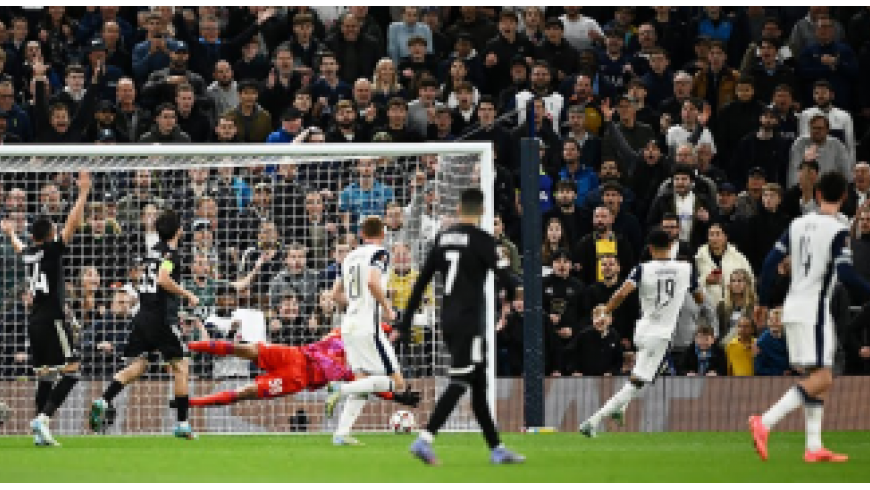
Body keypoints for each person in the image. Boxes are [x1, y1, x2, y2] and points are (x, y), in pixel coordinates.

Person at [399, 189, 525, 466]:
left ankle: (497, 448)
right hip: (470, 321)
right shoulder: (483, 241)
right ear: (480, 211)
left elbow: (421, 283)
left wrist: (406, 321)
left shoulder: (443, 238)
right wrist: (515, 298)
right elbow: (507, 277)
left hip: (448, 319)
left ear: (458, 208)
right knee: (459, 382)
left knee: (478, 384)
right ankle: (424, 439)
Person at [751, 170, 870, 464]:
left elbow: (769, 262)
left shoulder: (796, 224)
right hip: (814, 310)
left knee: (820, 376)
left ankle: (814, 446)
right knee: (824, 377)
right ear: (844, 197)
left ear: (817, 194)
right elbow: (845, 274)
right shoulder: (837, 230)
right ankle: (765, 421)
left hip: (793, 306)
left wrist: (763, 302)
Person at [580, 227, 713, 437]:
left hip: (642, 331)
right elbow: (699, 298)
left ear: (650, 248)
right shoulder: (686, 269)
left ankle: (620, 409)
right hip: (660, 336)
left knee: (650, 372)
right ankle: (593, 421)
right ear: (671, 246)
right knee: (637, 382)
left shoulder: (642, 269)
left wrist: (606, 310)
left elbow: (621, 294)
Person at [89, 210, 200, 440]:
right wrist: (186, 293)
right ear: (178, 230)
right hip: (161, 319)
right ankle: (182, 424)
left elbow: (149, 280)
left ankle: (104, 399)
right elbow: (162, 279)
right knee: (181, 367)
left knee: (139, 366)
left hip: (143, 316)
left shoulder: (151, 254)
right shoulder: (172, 254)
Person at [0, 171, 91, 447]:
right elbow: (73, 223)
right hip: (52, 320)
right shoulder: (51, 251)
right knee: (72, 370)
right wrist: (83, 193)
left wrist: (10, 233)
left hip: (35, 321)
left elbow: (18, 248)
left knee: (45, 376)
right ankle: (44, 418)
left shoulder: (29, 253)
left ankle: (39, 429)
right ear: (50, 234)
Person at [175, 328, 420, 409]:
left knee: (246, 392)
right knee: (243, 349)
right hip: (293, 354)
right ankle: (186, 345)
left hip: (298, 378)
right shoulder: (348, 331)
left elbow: (370, 387)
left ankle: (189, 403)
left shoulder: (363, 365)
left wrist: (396, 397)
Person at [323, 216, 406, 446]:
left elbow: (336, 293)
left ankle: (341, 433)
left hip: (349, 325)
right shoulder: (381, 253)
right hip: (368, 327)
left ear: (361, 234)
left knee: (364, 379)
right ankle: (341, 388)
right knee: (398, 384)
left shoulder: (349, 256)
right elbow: (371, 281)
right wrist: (388, 309)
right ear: (383, 233)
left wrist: (355, 304)